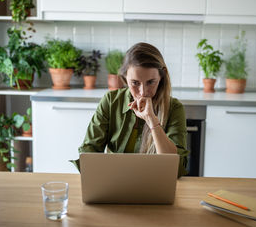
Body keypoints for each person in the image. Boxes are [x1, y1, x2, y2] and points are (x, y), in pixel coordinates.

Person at [77, 42, 189, 176]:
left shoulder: (175, 108)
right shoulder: (111, 101)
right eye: (135, 83)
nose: (143, 92)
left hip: (155, 185)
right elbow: (89, 151)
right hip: (113, 182)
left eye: (151, 82)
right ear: (125, 78)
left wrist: (152, 121)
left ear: (162, 76)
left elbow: (175, 169)